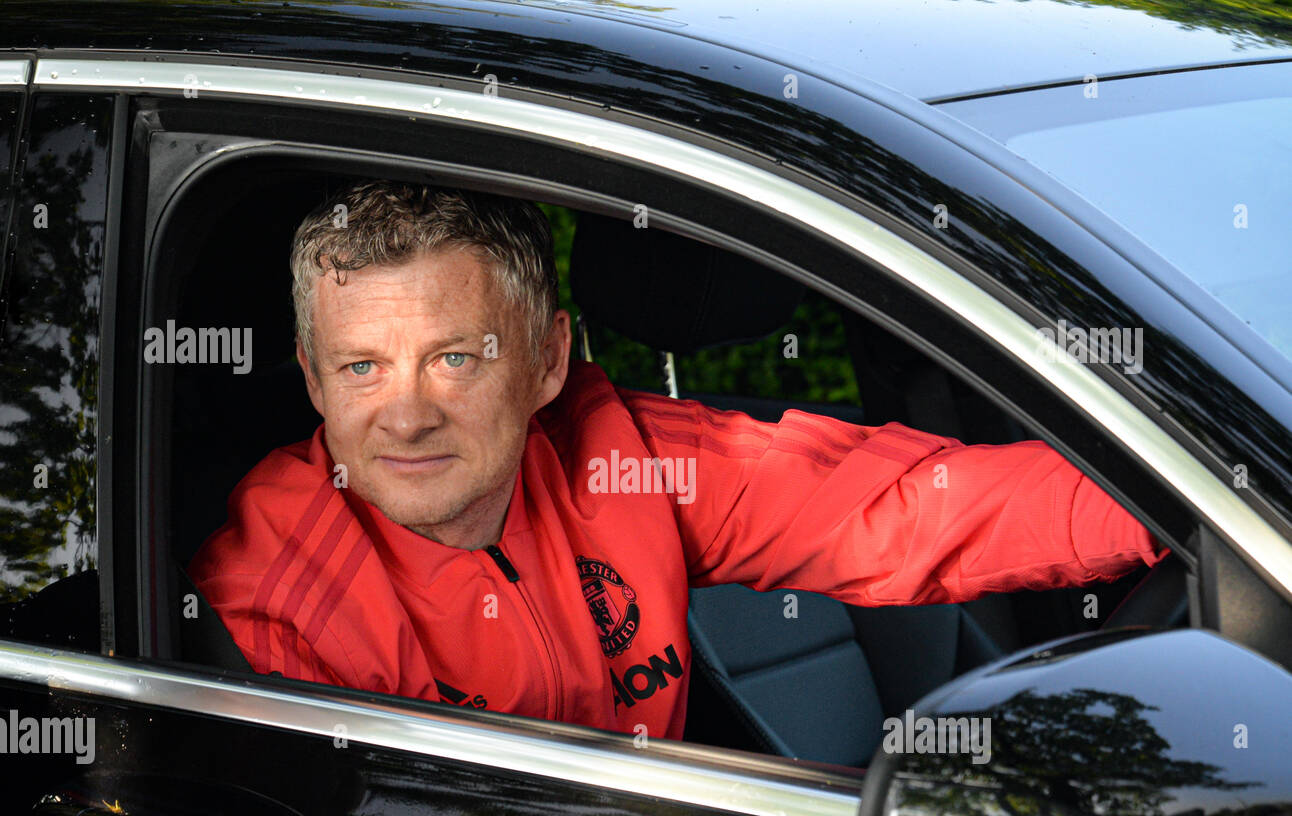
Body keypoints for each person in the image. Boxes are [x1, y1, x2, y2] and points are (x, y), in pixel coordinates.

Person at [190, 181, 1166, 739]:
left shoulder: (618, 457)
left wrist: (1174, 500)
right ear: (313, 382)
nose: (404, 415)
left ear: (545, 360)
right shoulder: (274, 593)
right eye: (361, 366)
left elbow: (904, 506)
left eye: (455, 357)